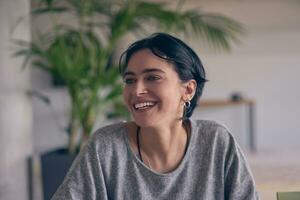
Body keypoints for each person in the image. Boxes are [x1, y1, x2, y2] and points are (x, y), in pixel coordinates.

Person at [52, 33, 259, 200]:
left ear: (188, 90)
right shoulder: (105, 147)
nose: (137, 90)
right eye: (130, 80)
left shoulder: (216, 142)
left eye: (153, 77)